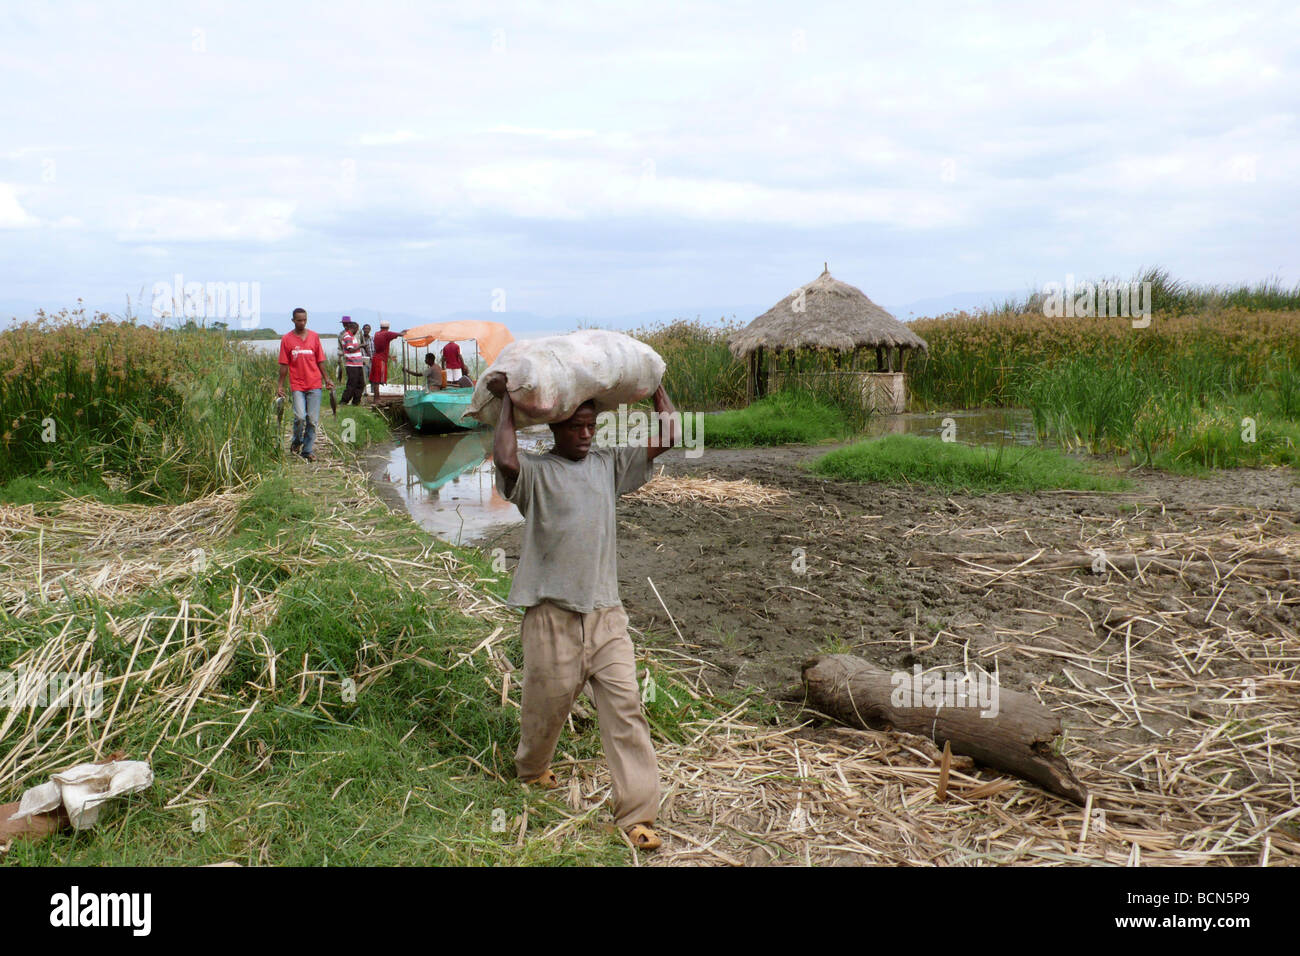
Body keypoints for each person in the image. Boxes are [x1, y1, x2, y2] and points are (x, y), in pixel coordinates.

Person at [492, 384, 679, 851]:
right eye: (576, 426)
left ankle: (637, 815)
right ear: (555, 426)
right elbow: (506, 461)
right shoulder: (535, 472)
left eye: (592, 426)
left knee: (626, 710)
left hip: (605, 616)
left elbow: (669, 436)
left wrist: (654, 386)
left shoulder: (607, 465)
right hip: (551, 616)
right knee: (545, 707)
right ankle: (533, 769)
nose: (586, 435)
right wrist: (505, 406)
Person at [275, 308, 335, 462]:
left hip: (314, 383)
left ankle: (307, 450)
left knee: (313, 420)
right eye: (299, 320)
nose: (302, 322)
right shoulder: (287, 339)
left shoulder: (314, 337)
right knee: (300, 417)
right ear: (293, 320)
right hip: (297, 385)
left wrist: (327, 379)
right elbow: (284, 365)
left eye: (304, 320)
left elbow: (320, 361)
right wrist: (280, 385)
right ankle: (296, 441)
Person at [369, 320, 402, 398]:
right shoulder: (387, 333)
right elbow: (401, 334)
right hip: (380, 360)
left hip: (375, 358)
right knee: (377, 380)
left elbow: (381, 349)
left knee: (375, 379)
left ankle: (376, 397)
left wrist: (390, 356)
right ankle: (376, 398)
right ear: (388, 327)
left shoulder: (377, 333)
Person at [339, 318, 366, 405]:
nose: (357, 331)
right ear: (353, 328)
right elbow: (350, 350)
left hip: (358, 363)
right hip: (352, 364)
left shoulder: (352, 337)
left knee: (361, 384)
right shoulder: (347, 336)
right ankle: (344, 400)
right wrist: (361, 345)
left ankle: (356, 401)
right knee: (352, 384)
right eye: (357, 329)